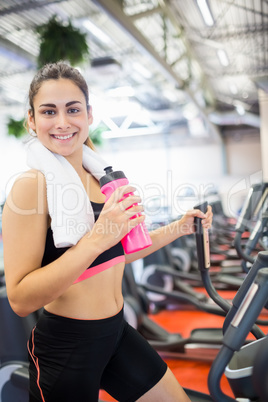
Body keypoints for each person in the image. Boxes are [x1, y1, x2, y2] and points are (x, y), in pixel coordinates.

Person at [2, 62, 213, 402]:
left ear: (88, 115)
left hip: (116, 332)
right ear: (31, 120)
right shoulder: (31, 186)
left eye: (73, 109)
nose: (62, 122)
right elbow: (20, 300)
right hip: (68, 346)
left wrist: (181, 227)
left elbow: (120, 252)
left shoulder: (101, 176)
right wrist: (96, 238)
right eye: (48, 111)